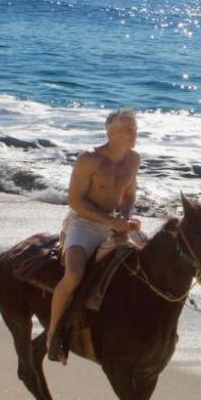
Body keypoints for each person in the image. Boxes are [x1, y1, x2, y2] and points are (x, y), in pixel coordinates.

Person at [45, 108, 141, 362]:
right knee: (74, 273)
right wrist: (109, 220)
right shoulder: (89, 159)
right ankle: (52, 335)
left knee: (150, 258)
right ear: (111, 132)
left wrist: (125, 217)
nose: (134, 134)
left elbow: (129, 192)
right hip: (84, 223)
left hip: (114, 223)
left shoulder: (133, 159)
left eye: (135, 129)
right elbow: (74, 200)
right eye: (128, 129)